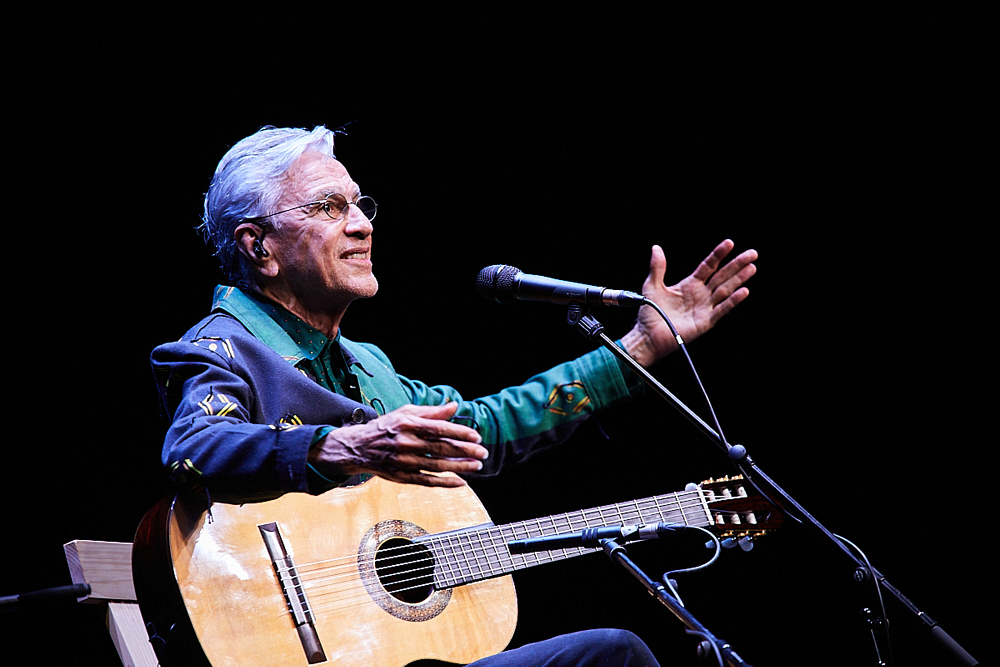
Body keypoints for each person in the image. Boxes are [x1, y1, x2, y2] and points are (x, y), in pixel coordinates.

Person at [150, 125, 757, 666]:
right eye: (329, 207)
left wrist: (639, 348)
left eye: (360, 206)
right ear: (260, 247)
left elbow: (486, 428)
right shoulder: (221, 349)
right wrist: (342, 447)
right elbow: (194, 444)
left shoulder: (370, 367)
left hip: (387, 651)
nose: (361, 225)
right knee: (613, 656)